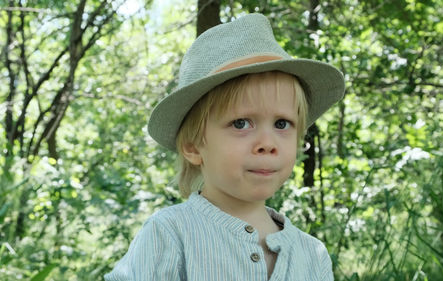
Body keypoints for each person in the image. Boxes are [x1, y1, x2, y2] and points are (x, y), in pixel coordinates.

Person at [105, 13, 344, 281]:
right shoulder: (171, 234)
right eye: (241, 123)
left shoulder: (312, 254)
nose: (267, 143)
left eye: (281, 124)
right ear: (193, 147)